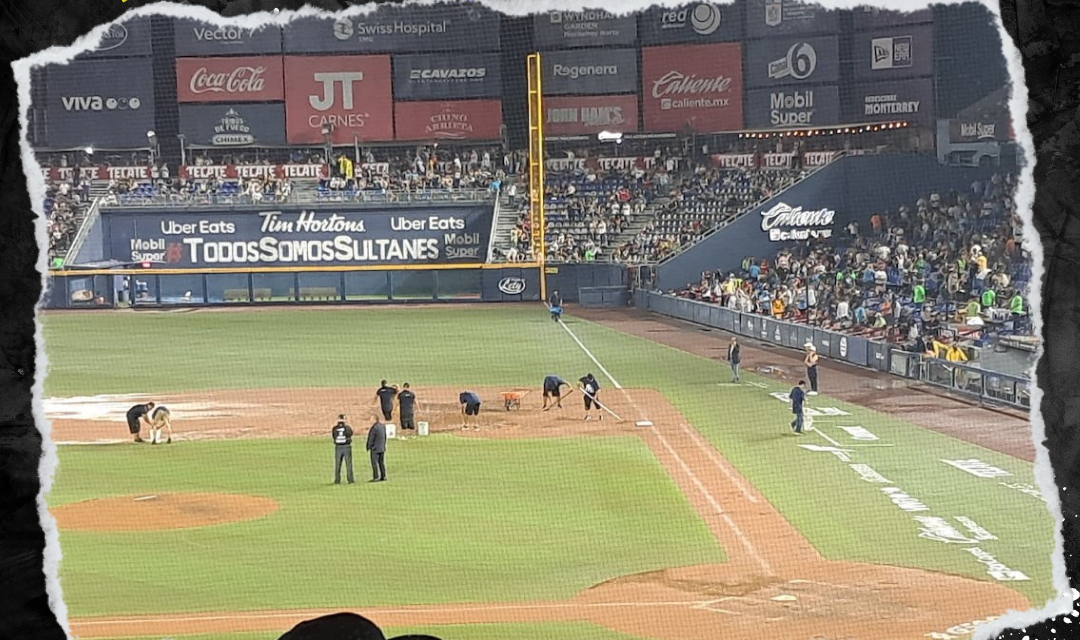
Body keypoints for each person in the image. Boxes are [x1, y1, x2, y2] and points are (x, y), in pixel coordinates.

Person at [332, 414, 354, 485]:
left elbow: (333, 436)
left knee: (337, 464)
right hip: (346, 446)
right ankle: (350, 479)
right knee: (348, 464)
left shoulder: (334, 428)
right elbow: (351, 433)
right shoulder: (347, 428)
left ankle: (337, 480)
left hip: (338, 447)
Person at [365, 413, 387, 482]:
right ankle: (383, 476)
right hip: (382, 448)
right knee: (381, 463)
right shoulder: (382, 426)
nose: (370, 420)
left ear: (374, 419)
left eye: (371, 419)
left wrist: (368, 446)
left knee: (374, 463)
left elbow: (371, 438)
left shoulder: (374, 428)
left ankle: (376, 477)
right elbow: (385, 437)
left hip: (375, 448)